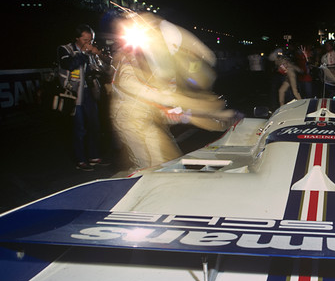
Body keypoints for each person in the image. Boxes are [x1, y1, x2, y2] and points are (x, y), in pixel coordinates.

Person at [110, 13, 235, 171]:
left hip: (150, 120)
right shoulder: (130, 64)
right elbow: (159, 97)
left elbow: (177, 107)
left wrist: (216, 120)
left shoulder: (163, 70)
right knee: (155, 168)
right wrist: (210, 109)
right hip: (133, 121)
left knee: (170, 163)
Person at [57, 24, 110, 171]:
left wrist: (98, 54)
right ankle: (80, 160)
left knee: (94, 125)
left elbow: (105, 69)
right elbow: (69, 65)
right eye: (85, 39)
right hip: (74, 94)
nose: (89, 43)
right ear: (77, 38)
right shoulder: (65, 49)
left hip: (89, 93)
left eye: (91, 40)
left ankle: (94, 157)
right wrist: (85, 54)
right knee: (79, 128)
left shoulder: (92, 51)